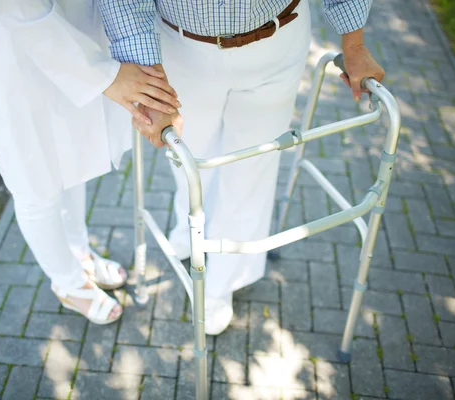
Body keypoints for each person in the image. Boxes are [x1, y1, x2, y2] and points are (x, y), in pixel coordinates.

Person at [100, 0, 385, 334]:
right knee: (191, 157)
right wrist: (150, 81)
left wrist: (355, 44)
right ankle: (191, 229)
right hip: (180, 46)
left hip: (277, 36)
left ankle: (222, 281)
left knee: (252, 168)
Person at [0, 0, 180, 325]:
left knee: (71, 159)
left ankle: (79, 251)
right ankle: (68, 282)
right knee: (34, 180)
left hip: (71, 31)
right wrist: (103, 74)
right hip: (11, 49)